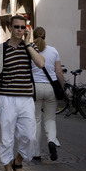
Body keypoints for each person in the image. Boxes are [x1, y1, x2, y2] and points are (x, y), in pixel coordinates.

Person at [0, 15, 45, 171]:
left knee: (30, 137)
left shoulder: (30, 47)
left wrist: (28, 44)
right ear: (10, 28)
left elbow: (41, 63)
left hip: (26, 99)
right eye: (17, 27)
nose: (20, 30)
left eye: (23, 27)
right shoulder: (0, 49)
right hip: (6, 98)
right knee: (6, 138)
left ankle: (18, 162)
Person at [31, 27, 65, 161]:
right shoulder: (53, 51)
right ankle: (51, 140)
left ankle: (36, 152)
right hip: (51, 88)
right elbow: (59, 73)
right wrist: (61, 88)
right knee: (50, 118)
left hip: (35, 88)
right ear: (45, 36)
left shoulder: (31, 51)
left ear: (33, 36)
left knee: (36, 120)